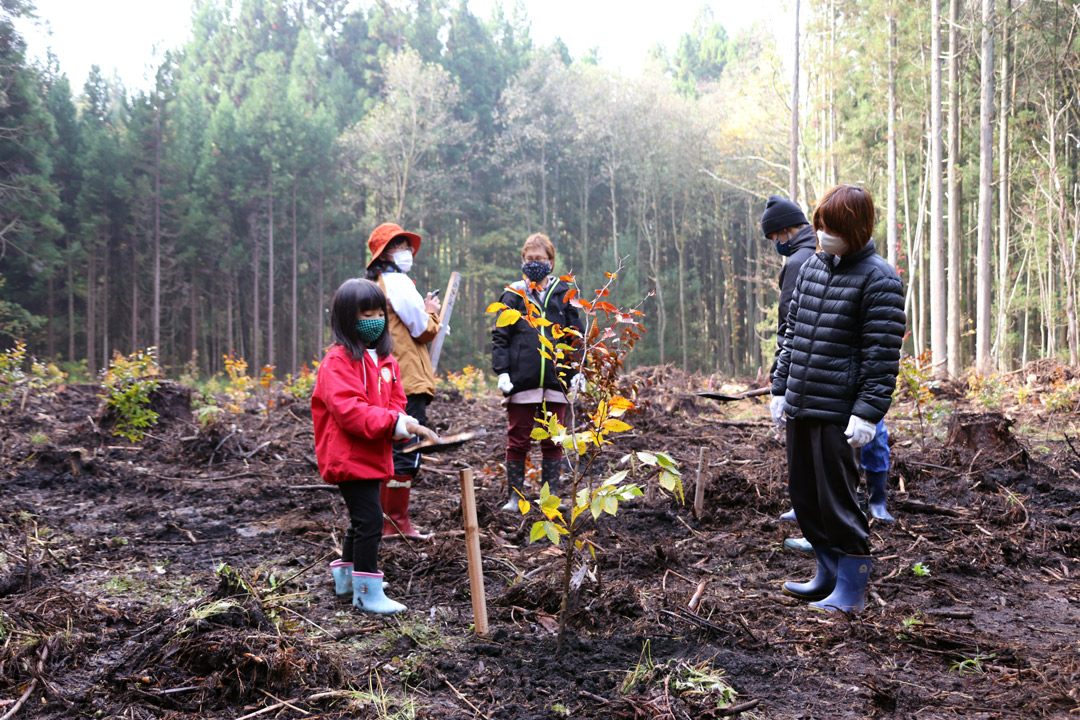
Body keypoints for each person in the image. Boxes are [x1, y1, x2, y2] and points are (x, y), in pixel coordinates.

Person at [770, 184, 906, 613]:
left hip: (839, 412)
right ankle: (826, 572)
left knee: (838, 499)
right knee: (805, 495)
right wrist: (780, 386)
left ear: (855, 228)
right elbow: (792, 333)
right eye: (819, 225)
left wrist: (867, 413)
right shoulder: (812, 266)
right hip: (802, 403)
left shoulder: (879, 278)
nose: (822, 234)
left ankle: (852, 586)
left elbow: (881, 355)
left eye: (831, 227)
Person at [312, 278, 415, 615]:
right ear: (345, 319)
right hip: (349, 456)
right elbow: (349, 410)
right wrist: (391, 423)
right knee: (371, 520)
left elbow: (397, 400)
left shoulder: (386, 361)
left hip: (372, 454)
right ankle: (367, 593)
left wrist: (401, 422)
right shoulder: (338, 361)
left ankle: (347, 579)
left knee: (360, 520)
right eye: (364, 314)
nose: (374, 320)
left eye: (378, 312)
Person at [491, 233, 583, 511]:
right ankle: (514, 497)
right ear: (522, 261)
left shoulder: (564, 293)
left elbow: (575, 335)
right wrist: (502, 372)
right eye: (529, 259)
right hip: (521, 382)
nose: (534, 264)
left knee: (554, 439)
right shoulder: (513, 295)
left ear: (551, 263)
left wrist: (577, 370)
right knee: (518, 438)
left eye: (540, 259)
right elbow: (500, 337)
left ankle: (549, 498)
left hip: (557, 380)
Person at [364, 223, 441, 540]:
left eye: (407, 246)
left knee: (395, 448)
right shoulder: (397, 282)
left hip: (392, 378)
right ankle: (396, 522)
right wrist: (432, 311)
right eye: (399, 247)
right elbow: (422, 328)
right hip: (407, 379)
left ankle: (388, 521)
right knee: (407, 449)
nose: (407, 252)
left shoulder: (380, 284)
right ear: (386, 255)